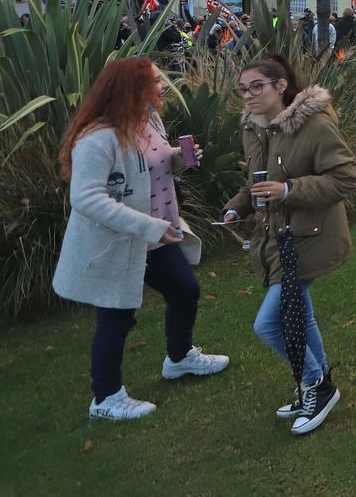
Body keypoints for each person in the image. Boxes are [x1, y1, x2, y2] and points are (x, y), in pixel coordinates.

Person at [53, 58, 229, 421]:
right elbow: (85, 198)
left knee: (185, 290)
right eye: (154, 80)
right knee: (116, 317)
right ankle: (105, 398)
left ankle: (179, 359)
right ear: (131, 88)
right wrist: (146, 225)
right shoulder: (98, 138)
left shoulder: (148, 120)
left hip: (157, 235)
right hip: (118, 242)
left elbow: (155, 166)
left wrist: (181, 158)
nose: (162, 85)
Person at [222, 54, 356, 436]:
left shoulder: (313, 125)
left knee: (268, 324)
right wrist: (237, 207)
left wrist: (289, 190)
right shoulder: (254, 128)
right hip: (275, 239)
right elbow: (258, 181)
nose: (247, 96)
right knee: (300, 315)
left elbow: (346, 178)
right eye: (243, 89)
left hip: (308, 239)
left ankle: (317, 384)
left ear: (280, 86)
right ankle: (315, 384)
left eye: (256, 87)